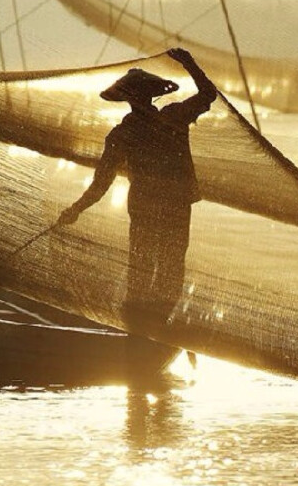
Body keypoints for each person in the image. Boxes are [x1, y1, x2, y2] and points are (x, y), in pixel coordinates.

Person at [57, 48, 216, 321]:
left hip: (152, 205)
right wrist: (188, 63)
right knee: (166, 268)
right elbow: (207, 94)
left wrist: (77, 208)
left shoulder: (134, 129)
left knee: (148, 268)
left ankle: (143, 327)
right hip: (170, 205)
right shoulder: (169, 118)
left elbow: (101, 183)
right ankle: (148, 326)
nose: (140, 99)